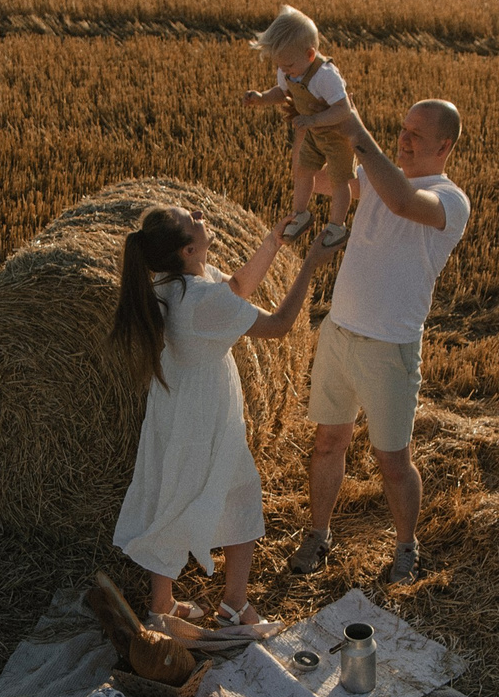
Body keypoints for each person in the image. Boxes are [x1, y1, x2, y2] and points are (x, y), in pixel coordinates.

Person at [111, 204, 339, 627]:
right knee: (237, 493)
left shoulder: (174, 283)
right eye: (192, 219)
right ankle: (233, 605)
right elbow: (279, 325)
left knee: (172, 492)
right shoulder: (200, 299)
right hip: (204, 412)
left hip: (176, 401)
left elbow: (234, 287)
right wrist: (308, 265)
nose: (200, 213)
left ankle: (163, 604)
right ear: (188, 249)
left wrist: (272, 243)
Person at [286, 99, 470, 586]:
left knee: (392, 462)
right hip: (338, 333)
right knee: (328, 443)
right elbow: (315, 181)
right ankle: (319, 534)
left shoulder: (450, 200)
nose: (403, 138)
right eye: (403, 128)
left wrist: (356, 133)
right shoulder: (373, 177)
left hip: (390, 349)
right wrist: (305, 126)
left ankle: (406, 547)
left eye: (416, 134)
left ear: (444, 146)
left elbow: (403, 202)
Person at [241, 6, 360, 249]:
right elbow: (283, 93)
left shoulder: (325, 75)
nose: (284, 70)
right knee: (303, 171)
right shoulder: (289, 70)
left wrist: (313, 121)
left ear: (310, 54)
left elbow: (343, 109)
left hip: (337, 135)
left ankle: (337, 226)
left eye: (288, 65)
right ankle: (300, 214)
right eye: (279, 65)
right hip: (314, 133)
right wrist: (262, 98)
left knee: (339, 181)